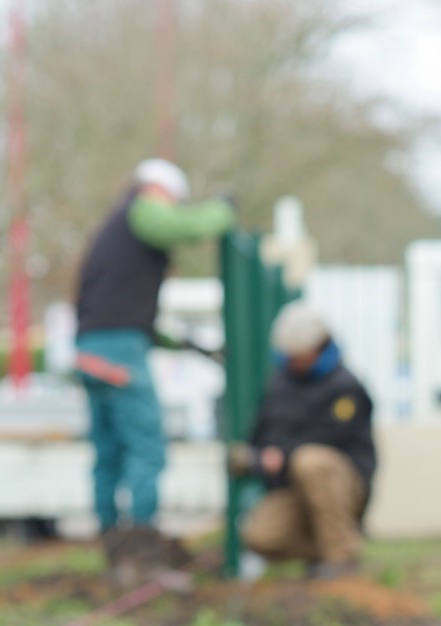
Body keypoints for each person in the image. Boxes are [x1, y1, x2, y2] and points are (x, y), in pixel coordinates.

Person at [73, 157, 236, 579]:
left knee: (108, 455)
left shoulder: (114, 231)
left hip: (91, 349)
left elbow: (126, 314)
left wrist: (190, 346)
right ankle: (143, 554)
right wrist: (221, 211)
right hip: (119, 353)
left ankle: (115, 552)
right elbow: (182, 228)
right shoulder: (143, 210)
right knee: (146, 450)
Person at [230, 303, 376, 580]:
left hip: (342, 486)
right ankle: (322, 550)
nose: (292, 363)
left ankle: (342, 559)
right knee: (261, 537)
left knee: (310, 461)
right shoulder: (279, 383)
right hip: (292, 488)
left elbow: (330, 438)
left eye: (299, 357)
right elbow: (260, 433)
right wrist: (256, 456)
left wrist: (282, 455)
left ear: (319, 348)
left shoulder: (346, 388)